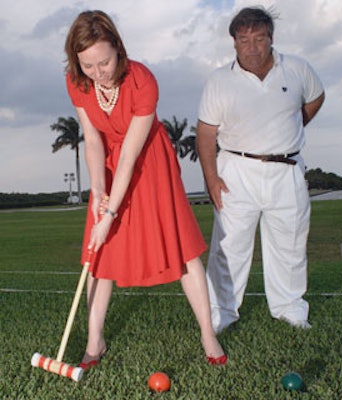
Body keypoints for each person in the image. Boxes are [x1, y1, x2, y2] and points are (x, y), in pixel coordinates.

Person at [64, 10, 227, 368]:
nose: (98, 73)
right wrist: (97, 193)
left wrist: (111, 212)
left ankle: (208, 335)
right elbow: (92, 140)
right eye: (88, 66)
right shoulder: (77, 81)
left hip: (149, 163)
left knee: (182, 248)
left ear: (118, 49)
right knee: (99, 254)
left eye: (104, 62)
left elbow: (131, 155)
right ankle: (95, 341)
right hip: (107, 163)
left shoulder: (142, 80)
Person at [197, 7, 325, 334]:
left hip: (288, 170)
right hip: (236, 171)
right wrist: (211, 179)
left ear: (271, 39)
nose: (252, 47)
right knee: (230, 249)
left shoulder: (298, 69)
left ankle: (290, 310)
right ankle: (222, 314)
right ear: (234, 43)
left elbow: (314, 100)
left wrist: (289, 128)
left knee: (290, 244)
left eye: (259, 38)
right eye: (244, 40)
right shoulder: (219, 80)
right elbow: (206, 134)